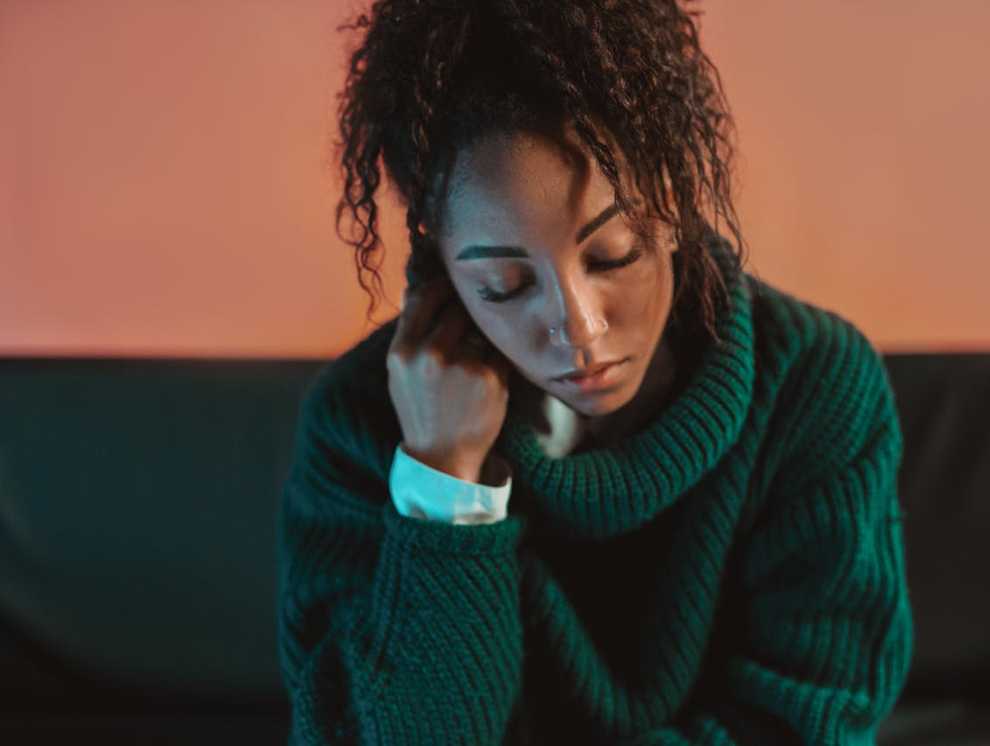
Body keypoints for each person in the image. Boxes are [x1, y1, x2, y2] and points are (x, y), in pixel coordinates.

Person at [276, 1, 913, 744]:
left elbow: (809, 724)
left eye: (614, 256)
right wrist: (443, 485)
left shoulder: (816, 386)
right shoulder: (358, 422)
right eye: (506, 286)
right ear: (440, 266)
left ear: (673, 204)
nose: (578, 329)